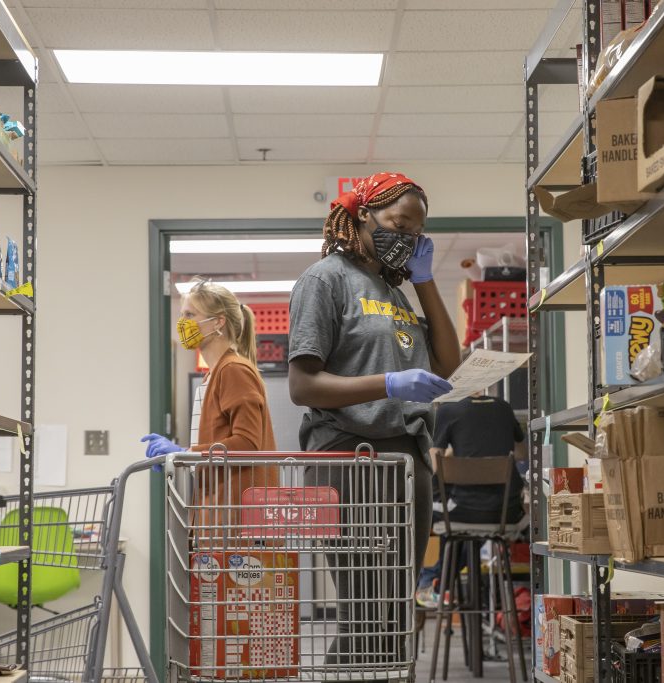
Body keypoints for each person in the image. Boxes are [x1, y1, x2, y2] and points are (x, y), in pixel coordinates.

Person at [287, 172, 460, 669]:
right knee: (366, 612)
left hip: (406, 459)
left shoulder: (395, 292)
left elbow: (447, 363)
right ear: (363, 215)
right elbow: (302, 386)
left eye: (414, 231)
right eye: (395, 222)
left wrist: (425, 281)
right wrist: (388, 383)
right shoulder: (326, 280)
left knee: (395, 612)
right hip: (349, 457)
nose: (404, 237)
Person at [143, 279, 278, 543]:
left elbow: (248, 444)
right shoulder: (212, 375)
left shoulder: (234, 370)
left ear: (218, 322)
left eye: (190, 315)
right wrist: (183, 454)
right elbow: (218, 442)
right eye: (182, 315)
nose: (183, 323)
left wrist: (186, 453)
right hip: (219, 514)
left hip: (240, 521)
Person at [416, 394, 527, 608]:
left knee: (450, 522)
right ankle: (437, 583)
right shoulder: (503, 407)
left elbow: (435, 465)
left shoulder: (447, 410)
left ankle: (435, 582)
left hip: (459, 512)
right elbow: (520, 453)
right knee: (468, 531)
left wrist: (453, 457)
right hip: (503, 513)